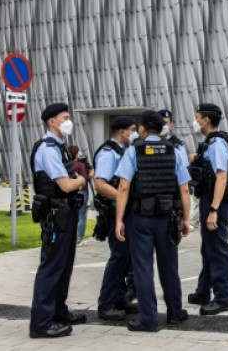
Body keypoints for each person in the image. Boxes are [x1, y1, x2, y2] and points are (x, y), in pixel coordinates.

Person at [113, 110, 192, 331]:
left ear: (143, 129)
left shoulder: (133, 152)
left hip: (141, 218)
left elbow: (124, 187)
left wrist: (119, 220)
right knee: (169, 266)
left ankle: (148, 319)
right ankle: (175, 313)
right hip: (168, 218)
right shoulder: (174, 151)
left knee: (143, 268)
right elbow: (184, 189)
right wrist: (186, 219)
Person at [29, 103, 87, 339]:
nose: (68, 121)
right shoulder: (48, 149)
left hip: (66, 211)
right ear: (52, 121)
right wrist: (82, 179)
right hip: (56, 214)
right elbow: (65, 184)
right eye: (65, 117)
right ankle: (41, 323)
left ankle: (58, 312)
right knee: (52, 267)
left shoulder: (60, 146)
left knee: (63, 266)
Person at [187, 103, 228, 315]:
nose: (196, 121)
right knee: (209, 247)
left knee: (218, 249)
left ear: (206, 119)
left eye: (197, 117)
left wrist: (214, 209)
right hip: (217, 198)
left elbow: (221, 176)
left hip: (215, 201)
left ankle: (223, 298)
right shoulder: (220, 140)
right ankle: (203, 291)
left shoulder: (217, 143)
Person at [94, 116, 140, 322]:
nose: (135, 132)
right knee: (118, 257)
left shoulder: (123, 151)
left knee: (126, 257)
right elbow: (101, 184)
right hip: (114, 212)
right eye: (132, 129)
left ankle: (120, 297)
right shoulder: (108, 153)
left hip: (124, 211)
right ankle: (106, 304)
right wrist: (123, 198)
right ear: (122, 132)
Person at [70, 145, 93, 246]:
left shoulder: (68, 164)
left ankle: (72, 239)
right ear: (76, 153)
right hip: (82, 191)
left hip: (71, 191)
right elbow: (85, 179)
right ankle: (80, 238)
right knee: (82, 216)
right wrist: (91, 173)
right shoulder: (80, 164)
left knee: (73, 215)